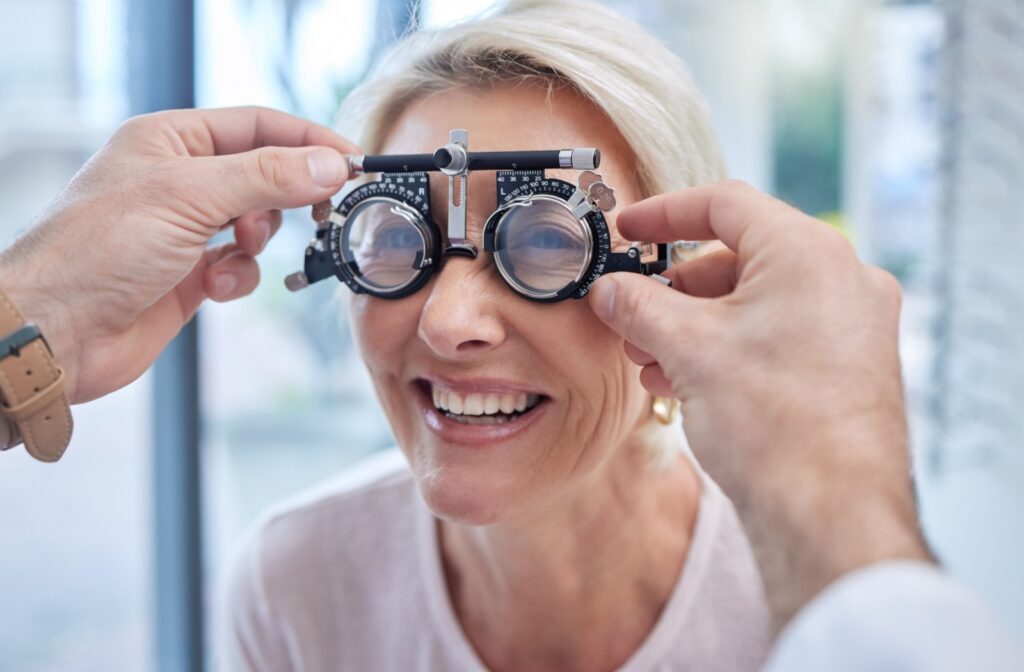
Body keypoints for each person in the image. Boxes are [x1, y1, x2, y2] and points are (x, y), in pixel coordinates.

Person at [0, 2, 1020, 672]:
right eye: (393, 237)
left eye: (542, 239)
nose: (447, 322)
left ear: (682, 272)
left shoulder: (816, 609)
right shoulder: (296, 586)